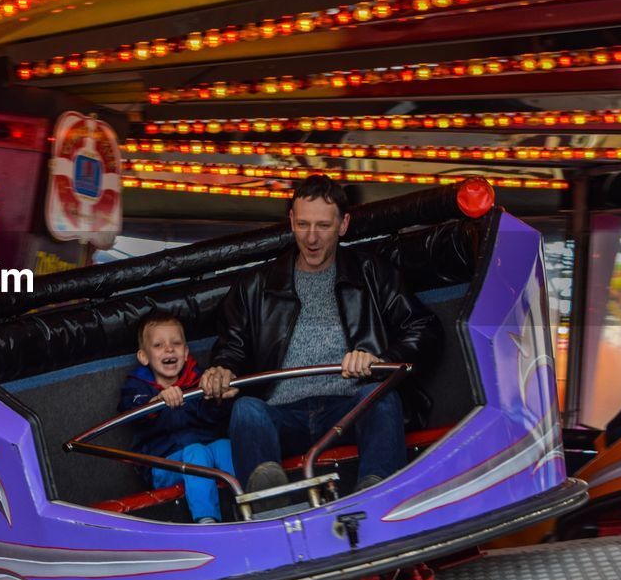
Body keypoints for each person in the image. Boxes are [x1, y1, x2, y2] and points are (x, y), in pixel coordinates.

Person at [199, 175, 439, 496]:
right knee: (247, 411)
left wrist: (380, 361)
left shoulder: (373, 273)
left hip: (349, 410)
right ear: (291, 222)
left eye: (323, 226)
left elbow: (425, 329)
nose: (311, 238)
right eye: (303, 225)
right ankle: (270, 503)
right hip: (283, 414)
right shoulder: (254, 286)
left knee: (380, 398)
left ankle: (376, 494)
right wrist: (223, 370)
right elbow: (233, 350)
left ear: (343, 224)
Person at [118, 311, 235, 523]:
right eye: (158, 345)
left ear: (186, 351)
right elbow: (133, 414)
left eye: (176, 343)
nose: (169, 349)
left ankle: (248, 503)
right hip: (162, 464)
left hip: (206, 451)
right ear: (144, 356)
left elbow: (213, 418)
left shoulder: (199, 378)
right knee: (196, 452)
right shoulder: (136, 386)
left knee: (226, 446)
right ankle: (207, 520)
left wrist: (218, 398)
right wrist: (158, 401)